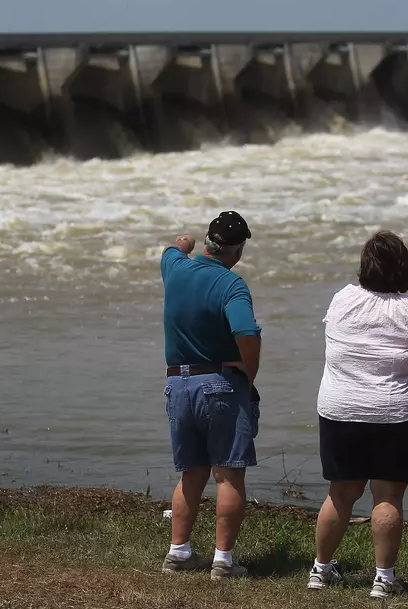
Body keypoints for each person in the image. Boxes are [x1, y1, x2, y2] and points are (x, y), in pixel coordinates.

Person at [308, 230, 408, 599]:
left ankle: (320, 569)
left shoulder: (343, 299)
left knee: (340, 492)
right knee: (388, 497)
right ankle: (383, 578)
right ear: (404, 268)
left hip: (340, 407)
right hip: (395, 412)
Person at [158, 210, 262, 581]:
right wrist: (248, 373)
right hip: (217, 383)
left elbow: (175, 246)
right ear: (238, 250)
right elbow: (246, 332)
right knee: (229, 476)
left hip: (178, 385)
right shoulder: (231, 285)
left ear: (208, 242)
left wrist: (184, 242)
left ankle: (179, 552)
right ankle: (223, 561)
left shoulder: (174, 268)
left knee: (191, 474)